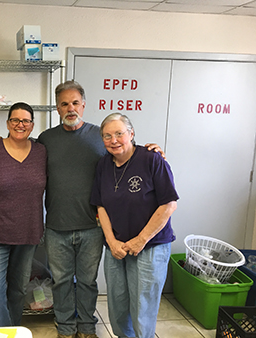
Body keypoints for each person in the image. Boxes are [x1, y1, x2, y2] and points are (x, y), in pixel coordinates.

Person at [37, 80, 164, 338]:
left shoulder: (101, 136)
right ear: (57, 107)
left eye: (75, 103)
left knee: (87, 282)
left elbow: (127, 153)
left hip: (92, 227)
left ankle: (86, 326)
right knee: (61, 282)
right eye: (64, 104)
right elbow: (24, 154)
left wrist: (152, 150)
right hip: (56, 226)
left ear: (83, 105)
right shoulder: (46, 139)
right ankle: (65, 327)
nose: (70, 108)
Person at [90, 113, 178, 338]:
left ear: (131, 134)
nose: (114, 140)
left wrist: (140, 240)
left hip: (150, 246)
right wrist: (111, 242)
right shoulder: (103, 165)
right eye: (107, 136)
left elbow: (168, 205)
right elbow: (100, 206)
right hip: (117, 247)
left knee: (142, 308)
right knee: (117, 305)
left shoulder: (151, 159)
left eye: (119, 133)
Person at [0, 102, 47, 326]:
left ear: (32, 125)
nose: (20, 124)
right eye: (15, 120)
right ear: (7, 123)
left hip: (28, 233)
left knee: (17, 290)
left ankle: (13, 329)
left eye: (25, 121)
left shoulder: (41, 152)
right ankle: (5, 332)